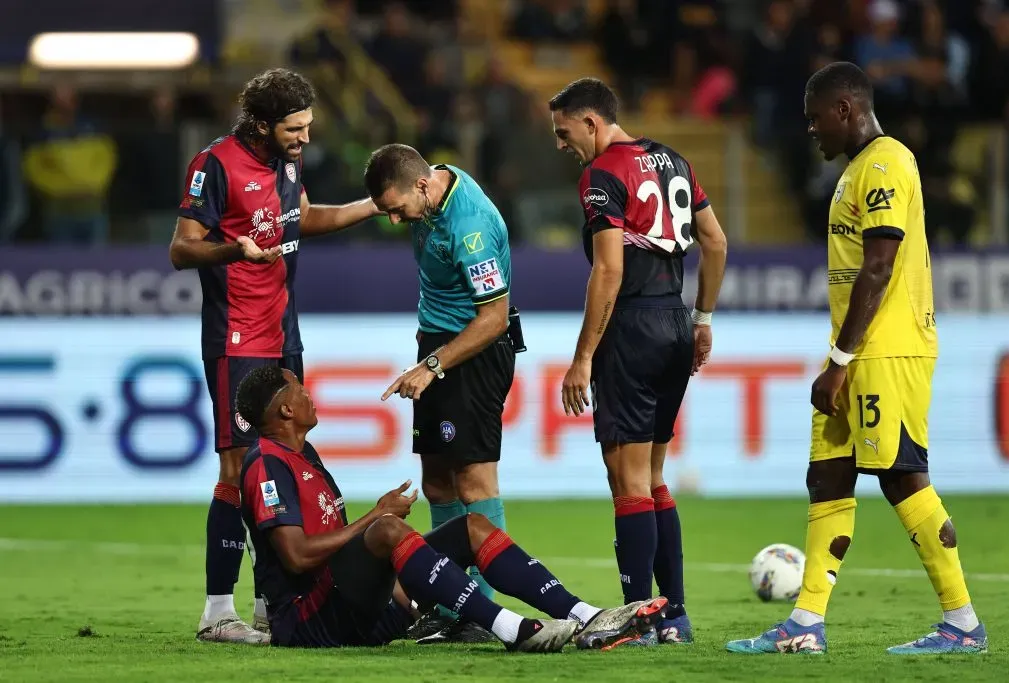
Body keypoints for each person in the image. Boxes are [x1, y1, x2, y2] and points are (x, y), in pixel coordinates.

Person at [725, 62, 987, 656]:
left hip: (886, 349)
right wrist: (839, 356)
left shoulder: (887, 162)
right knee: (828, 476)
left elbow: (879, 265)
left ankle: (963, 623)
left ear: (845, 109)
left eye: (816, 119)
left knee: (900, 476)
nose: (811, 131)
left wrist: (841, 357)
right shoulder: (850, 174)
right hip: (852, 350)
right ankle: (805, 624)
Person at [235, 365, 668, 651]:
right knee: (385, 529)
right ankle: (510, 629)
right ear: (286, 409)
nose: (310, 396)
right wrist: (375, 515)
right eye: (300, 391)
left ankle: (585, 616)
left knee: (471, 526)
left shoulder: (303, 454)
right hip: (310, 623)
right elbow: (296, 555)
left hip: (352, 609)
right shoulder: (266, 465)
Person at [169, 68, 382, 644]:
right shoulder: (214, 165)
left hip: (284, 336)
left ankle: (270, 601)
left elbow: (302, 218)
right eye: (295, 128)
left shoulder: (288, 161)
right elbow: (180, 249)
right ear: (261, 125)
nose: (305, 138)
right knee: (238, 471)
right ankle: (218, 611)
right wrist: (229, 248)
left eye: (309, 127)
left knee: (279, 468)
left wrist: (371, 206)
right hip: (238, 338)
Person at [548, 78, 728, 646]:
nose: (561, 145)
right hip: (674, 323)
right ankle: (673, 616)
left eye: (564, 132)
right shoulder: (674, 160)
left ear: (592, 123)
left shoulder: (602, 175)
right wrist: (702, 320)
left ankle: (635, 620)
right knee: (650, 478)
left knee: (626, 483)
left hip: (629, 330)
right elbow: (716, 242)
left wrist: (582, 358)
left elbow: (608, 271)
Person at [362, 143, 516, 643]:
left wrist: (432, 364)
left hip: (472, 350)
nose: (393, 221)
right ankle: (453, 606)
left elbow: (492, 318)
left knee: (473, 482)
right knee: (436, 485)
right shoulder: (429, 189)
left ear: (423, 187)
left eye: (396, 210)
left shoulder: (470, 229)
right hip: (437, 344)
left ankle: (485, 614)